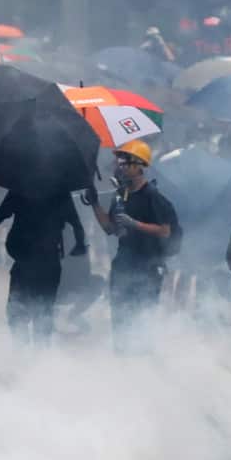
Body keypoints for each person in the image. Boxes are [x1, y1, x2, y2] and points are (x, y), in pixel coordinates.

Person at [85, 140, 178, 349]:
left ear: (139, 165)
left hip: (148, 265)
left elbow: (165, 230)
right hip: (124, 264)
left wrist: (135, 224)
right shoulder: (121, 196)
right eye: (120, 162)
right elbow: (110, 228)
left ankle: (142, 359)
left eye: (126, 163)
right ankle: (123, 357)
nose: (121, 167)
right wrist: (94, 203)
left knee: (142, 315)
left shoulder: (152, 196)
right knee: (120, 314)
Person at [0, 185, 86, 347]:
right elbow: (77, 224)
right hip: (49, 262)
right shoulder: (60, 192)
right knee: (44, 311)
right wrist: (80, 245)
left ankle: (22, 352)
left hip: (24, 262)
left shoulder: (20, 189)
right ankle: (41, 354)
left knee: (17, 311)